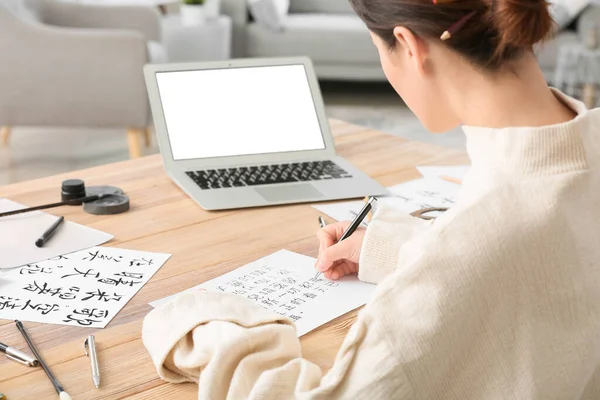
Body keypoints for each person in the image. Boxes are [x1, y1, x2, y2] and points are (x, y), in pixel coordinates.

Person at [142, 0, 600, 398]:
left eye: (378, 49)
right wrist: (397, 249)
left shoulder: (463, 250)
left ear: (409, 45)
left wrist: (199, 324)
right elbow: (533, 256)